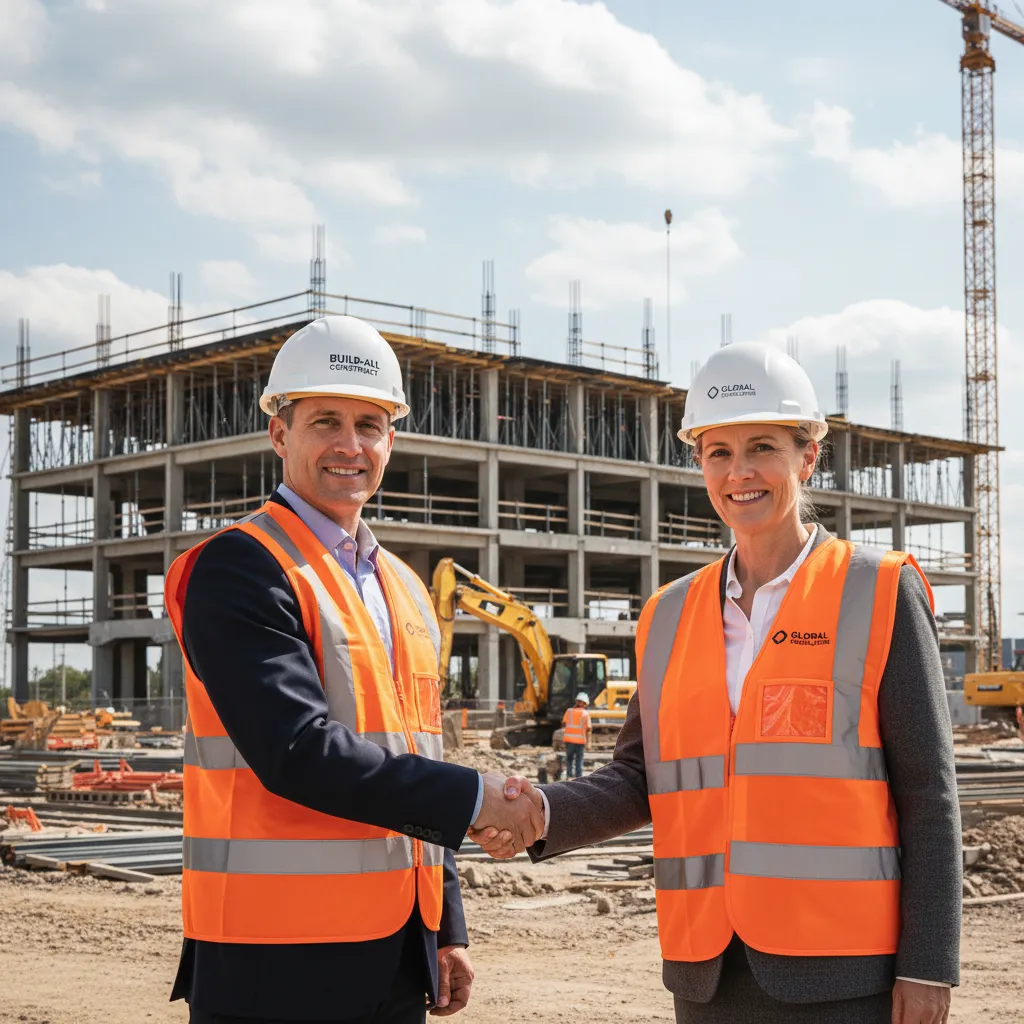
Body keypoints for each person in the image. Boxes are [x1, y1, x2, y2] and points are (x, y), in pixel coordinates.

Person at [478, 343, 962, 1024]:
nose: (740, 473)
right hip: (707, 969)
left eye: (762, 446)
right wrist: (541, 813)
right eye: (718, 452)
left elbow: (929, 794)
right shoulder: (667, 614)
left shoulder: (878, 590)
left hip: (847, 971)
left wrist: (929, 964)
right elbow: (642, 775)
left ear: (808, 456)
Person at [164, 315, 543, 1024]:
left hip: (396, 952)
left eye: (369, 424)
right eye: (325, 421)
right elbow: (295, 750)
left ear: (391, 439)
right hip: (273, 958)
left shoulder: (402, 587)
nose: (350, 444)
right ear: (279, 434)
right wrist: (477, 800)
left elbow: (415, 752)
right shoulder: (241, 567)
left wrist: (444, 926)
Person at [561, 692, 591, 778]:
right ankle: (578, 778)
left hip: (569, 740)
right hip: (580, 741)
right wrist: (589, 743)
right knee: (579, 760)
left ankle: (569, 776)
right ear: (585, 704)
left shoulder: (569, 711)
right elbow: (589, 729)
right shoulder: (586, 714)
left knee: (569, 759)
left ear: (577, 702)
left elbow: (563, 724)